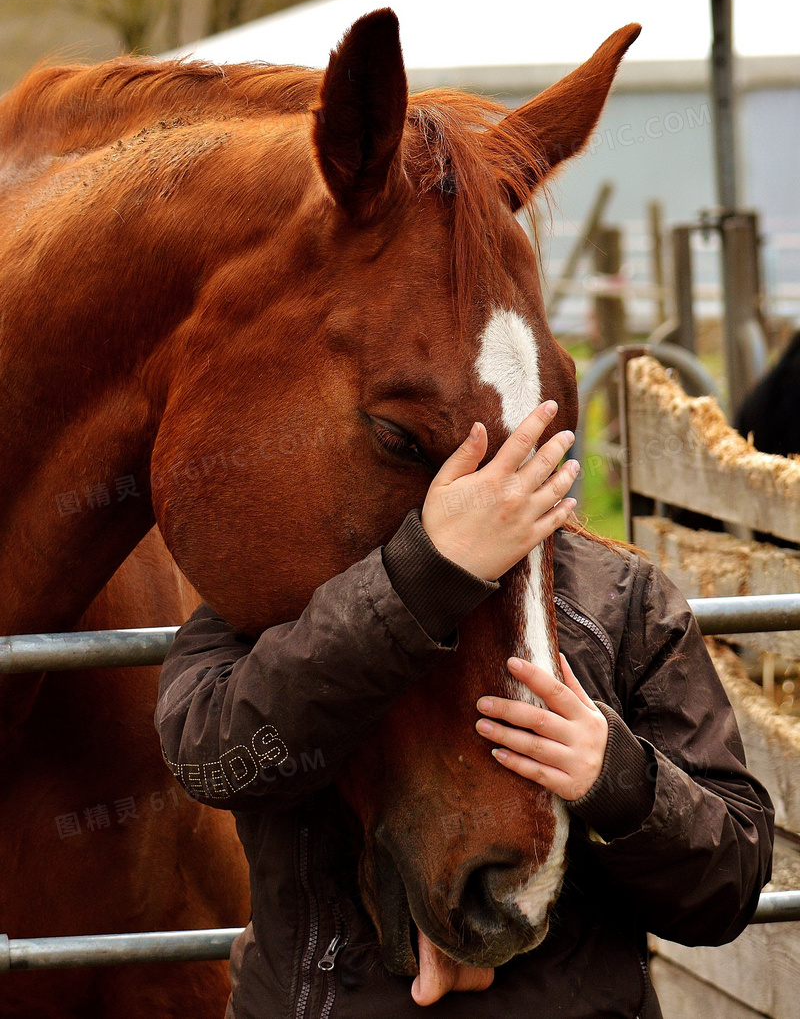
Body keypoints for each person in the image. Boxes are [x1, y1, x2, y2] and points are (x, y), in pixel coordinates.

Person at [155, 402, 774, 1019]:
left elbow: (729, 882)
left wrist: (617, 779)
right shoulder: (273, 575)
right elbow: (213, 760)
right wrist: (421, 578)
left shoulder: (620, 600)